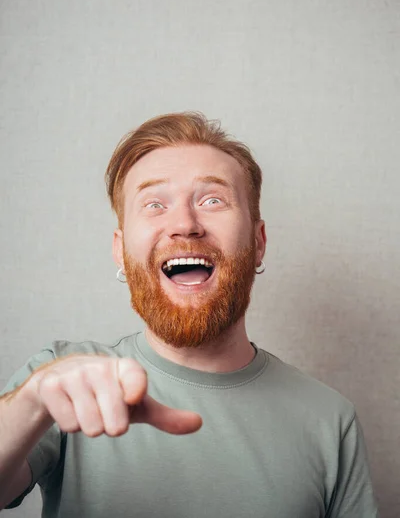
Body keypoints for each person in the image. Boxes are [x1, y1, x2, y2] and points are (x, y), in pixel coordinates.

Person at [0, 112, 378, 517]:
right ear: (121, 253)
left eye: (212, 200)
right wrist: (35, 402)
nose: (184, 224)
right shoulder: (61, 382)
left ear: (258, 241)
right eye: (154, 204)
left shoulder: (329, 419)